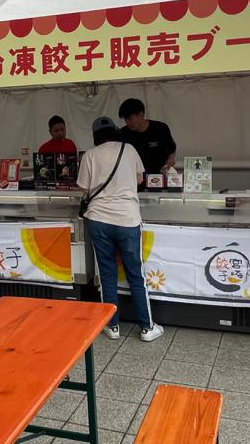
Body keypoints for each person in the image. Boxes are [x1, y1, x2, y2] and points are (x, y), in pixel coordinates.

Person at [77, 116, 163, 342]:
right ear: (116, 130)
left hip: (98, 220)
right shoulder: (130, 149)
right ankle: (147, 327)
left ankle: (112, 326)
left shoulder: (89, 155)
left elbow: (83, 188)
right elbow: (139, 180)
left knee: (106, 273)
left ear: (95, 135)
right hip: (127, 219)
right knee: (136, 274)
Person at [118, 98, 177, 174]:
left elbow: (172, 148)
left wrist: (170, 159)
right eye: (125, 120)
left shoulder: (160, 128)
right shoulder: (123, 133)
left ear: (141, 115)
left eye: (130, 119)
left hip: (159, 177)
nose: (127, 123)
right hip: (135, 178)